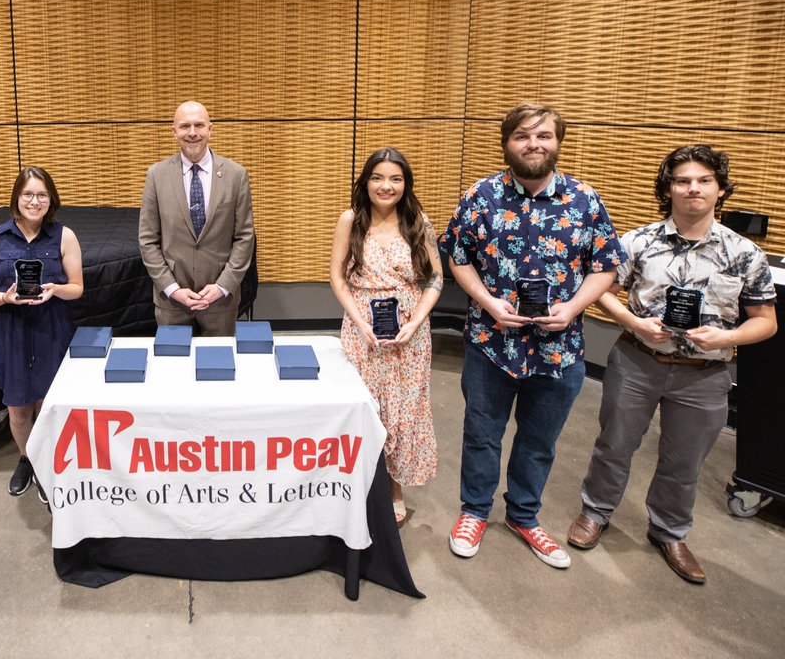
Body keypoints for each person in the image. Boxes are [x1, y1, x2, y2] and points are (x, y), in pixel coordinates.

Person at [567, 145, 776, 583]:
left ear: (720, 189)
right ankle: (596, 512)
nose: (693, 188)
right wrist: (631, 321)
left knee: (684, 460)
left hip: (705, 375)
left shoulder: (744, 253)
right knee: (615, 445)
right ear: (668, 189)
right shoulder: (638, 241)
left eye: (703, 180)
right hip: (637, 360)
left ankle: (669, 531)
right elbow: (600, 287)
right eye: (682, 181)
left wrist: (729, 336)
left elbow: (765, 322)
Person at [439, 103, 625, 569]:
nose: (533, 144)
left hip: (560, 350)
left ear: (558, 141)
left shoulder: (585, 199)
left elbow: (606, 266)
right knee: (482, 435)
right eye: (522, 136)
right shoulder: (480, 196)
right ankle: (474, 512)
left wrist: (575, 307)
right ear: (507, 143)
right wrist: (486, 301)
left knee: (539, 441)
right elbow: (457, 257)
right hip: (491, 344)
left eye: (543, 135)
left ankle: (524, 516)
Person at [330, 148, 441, 525]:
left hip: (409, 335)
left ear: (405, 184)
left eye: (395, 178)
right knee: (364, 409)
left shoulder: (417, 221)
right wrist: (358, 319)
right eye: (378, 177)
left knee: (402, 413)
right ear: (365, 181)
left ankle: (394, 490)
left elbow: (436, 279)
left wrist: (416, 321)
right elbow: (338, 277)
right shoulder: (350, 220)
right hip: (362, 330)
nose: (386, 186)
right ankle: (355, 486)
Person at [0, 167, 83, 502]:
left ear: (51, 199)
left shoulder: (64, 236)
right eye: (27, 194)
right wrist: (5, 297)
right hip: (12, 330)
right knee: (19, 409)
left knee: (48, 405)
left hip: (52, 328)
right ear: (16, 198)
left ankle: (50, 461)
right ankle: (28, 460)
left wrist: (57, 289)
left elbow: (78, 288)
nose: (34, 201)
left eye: (41, 195)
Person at [138, 100, 255, 336]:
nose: (192, 133)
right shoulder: (156, 175)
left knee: (218, 367)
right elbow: (147, 240)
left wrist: (223, 286)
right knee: (174, 367)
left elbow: (244, 237)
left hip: (220, 301)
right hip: (172, 301)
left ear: (210, 129)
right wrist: (172, 288)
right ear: (174, 131)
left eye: (199, 125)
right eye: (185, 126)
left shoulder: (236, 175)